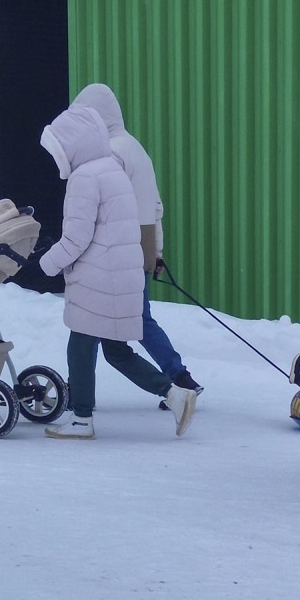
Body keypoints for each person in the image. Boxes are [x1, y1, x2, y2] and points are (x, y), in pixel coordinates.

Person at [37, 104, 197, 440]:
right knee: (116, 350)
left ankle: (81, 418)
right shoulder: (112, 168)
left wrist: (45, 263)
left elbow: (77, 238)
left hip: (98, 279)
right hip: (119, 276)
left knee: (79, 345)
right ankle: (175, 394)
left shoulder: (85, 178)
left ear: (73, 145)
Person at [72, 83, 203, 409]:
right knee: (139, 320)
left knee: (95, 329)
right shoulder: (134, 148)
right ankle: (180, 379)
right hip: (138, 247)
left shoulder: (111, 154)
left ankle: (81, 400)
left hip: (117, 254)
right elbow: (153, 206)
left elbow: (104, 211)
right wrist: (153, 250)